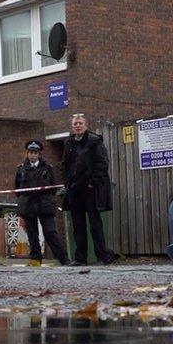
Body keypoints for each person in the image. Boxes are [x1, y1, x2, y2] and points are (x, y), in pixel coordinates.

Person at [60, 114, 117, 266]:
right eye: (75, 124)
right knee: (77, 225)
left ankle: (102, 257)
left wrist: (92, 183)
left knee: (95, 224)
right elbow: (64, 165)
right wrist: (67, 182)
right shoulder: (68, 143)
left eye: (80, 123)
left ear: (86, 125)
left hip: (90, 189)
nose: (77, 126)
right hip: (74, 190)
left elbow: (102, 163)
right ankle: (80, 258)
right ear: (72, 127)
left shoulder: (94, 141)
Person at [14, 140, 69, 266]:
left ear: (39, 154)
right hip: (28, 204)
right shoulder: (21, 169)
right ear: (27, 154)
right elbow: (17, 189)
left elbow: (53, 187)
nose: (32, 155)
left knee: (50, 232)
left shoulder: (47, 168)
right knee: (32, 233)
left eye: (35, 153)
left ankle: (63, 259)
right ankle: (35, 259)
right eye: (30, 152)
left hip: (45, 204)